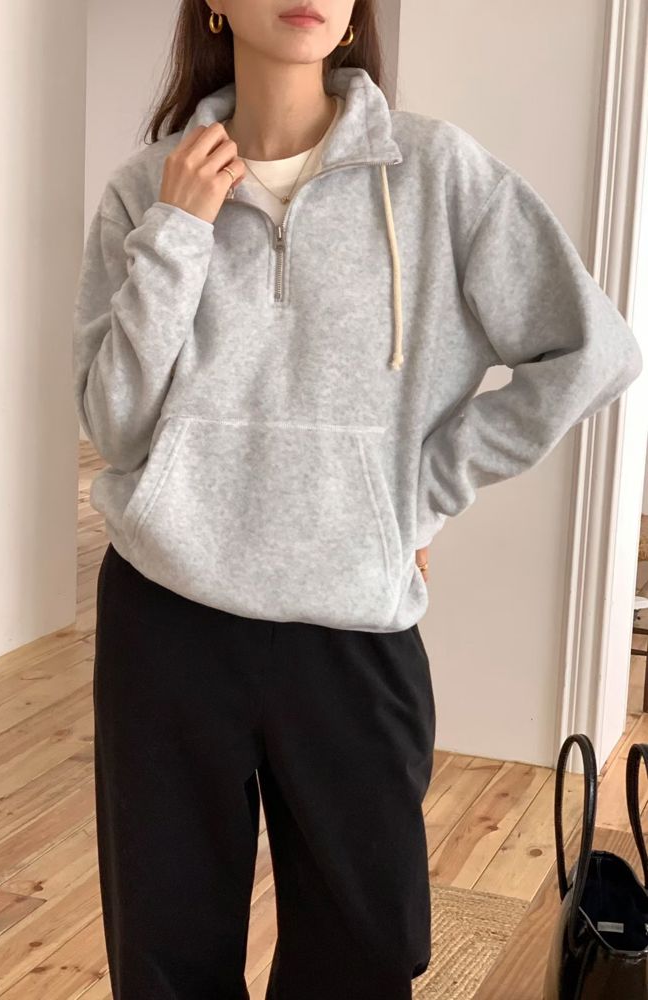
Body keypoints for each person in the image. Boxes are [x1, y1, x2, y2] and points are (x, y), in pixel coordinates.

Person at [72, 2, 644, 998]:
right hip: (166, 624)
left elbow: (591, 350)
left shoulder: (434, 174)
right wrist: (179, 232)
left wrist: (421, 489)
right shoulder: (147, 187)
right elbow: (116, 428)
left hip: (352, 630)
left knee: (363, 957)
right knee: (165, 962)